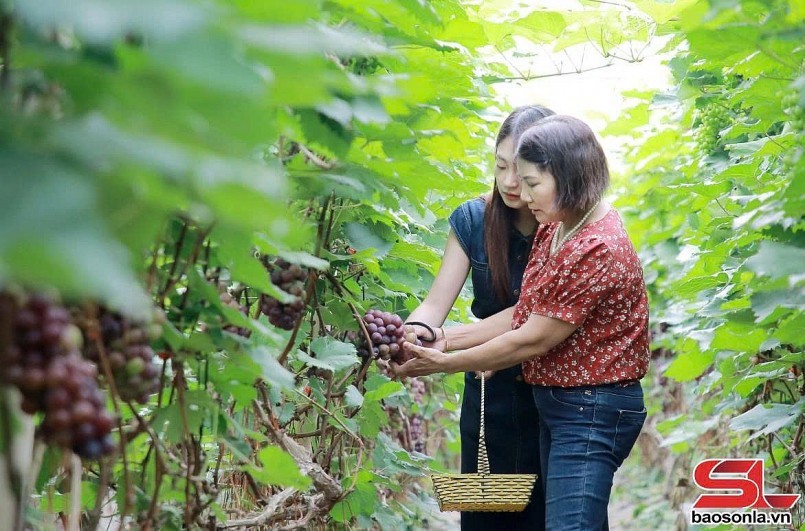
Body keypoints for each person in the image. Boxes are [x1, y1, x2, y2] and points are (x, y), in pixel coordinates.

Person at [395, 115, 650, 531]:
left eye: (529, 179)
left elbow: (530, 337)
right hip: (527, 399)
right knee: (501, 515)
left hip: (581, 406)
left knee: (564, 522)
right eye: (502, 168)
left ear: (564, 175)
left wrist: (442, 360)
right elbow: (523, 313)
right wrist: (436, 338)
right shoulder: (552, 226)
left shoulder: (590, 242)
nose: (515, 187)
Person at [404, 105, 555, 530]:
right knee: (486, 516)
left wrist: (447, 340)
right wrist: (415, 332)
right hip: (490, 394)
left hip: (554, 393)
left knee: (552, 516)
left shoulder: (564, 225)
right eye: (500, 165)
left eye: (520, 169)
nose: (509, 181)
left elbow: (529, 315)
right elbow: (435, 305)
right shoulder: (472, 219)